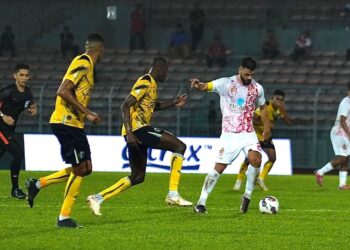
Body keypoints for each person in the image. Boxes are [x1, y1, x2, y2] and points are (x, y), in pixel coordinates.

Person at [86, 57, 192, 216]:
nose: (166, 75)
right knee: (179, 146)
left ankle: (97, 198)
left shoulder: (152, 85)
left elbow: (152, 106)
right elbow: (125, 105)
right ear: (159, 69)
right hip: (137, 130)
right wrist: (129, 132)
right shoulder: (146, 81)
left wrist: (173, 103)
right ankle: (173, 194)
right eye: (166, 72)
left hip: (137, 131)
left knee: (137, 176)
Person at [25, 33, 104, 228]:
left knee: (86, 168)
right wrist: (87, 113)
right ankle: (64, 217)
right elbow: (62, 90)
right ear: (99, 49)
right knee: (79, 169)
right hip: (65, 121)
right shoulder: (83, 61)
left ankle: (38, 184)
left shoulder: (88, 66)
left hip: (75, 124)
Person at [191, 57, 271, 214]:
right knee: (219, 168)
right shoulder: (226, 83)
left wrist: (267, 127)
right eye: (247, 74)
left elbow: (262, 108)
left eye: (252, 75)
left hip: (248, 132)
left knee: (256, 160)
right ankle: (201, 202)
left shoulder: (257, 89)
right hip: (230, 135)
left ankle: (247, 196)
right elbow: (206, 86)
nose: (249, 78)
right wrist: (198, 85)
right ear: (240, 69)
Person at [233, 90, 292, 191]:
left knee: (272, 158)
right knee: (249, 159)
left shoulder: (278, 110)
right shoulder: (265, 106)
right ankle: (239, 181)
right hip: (255, 135)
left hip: (266, 136)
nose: (279, 102)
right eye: (277, 99)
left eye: (281, 100)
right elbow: (253, 118)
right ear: (272, 98)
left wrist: (283, 112)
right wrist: (267, 124)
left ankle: (260, 179)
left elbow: (289, 123)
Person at [0, 64, 37, 199]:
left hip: (9, 129)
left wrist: (33, 109)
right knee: (18, 154)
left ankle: (15, 190)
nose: (24, 78)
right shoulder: (7, 91)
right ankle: (15, 189)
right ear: (15, 76)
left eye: (26, 75)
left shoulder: (28, 92)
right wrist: (3, 116)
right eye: (21, 75)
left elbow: (31, 105)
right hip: (1, 128)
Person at [315, 84, 350, 190]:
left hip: (345, 132)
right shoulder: (346, 102)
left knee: (346, 159)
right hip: (340, 132)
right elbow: (343, 120)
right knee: (342, 158)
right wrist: (349, 135)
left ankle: (342, 185)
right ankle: (320, 172)